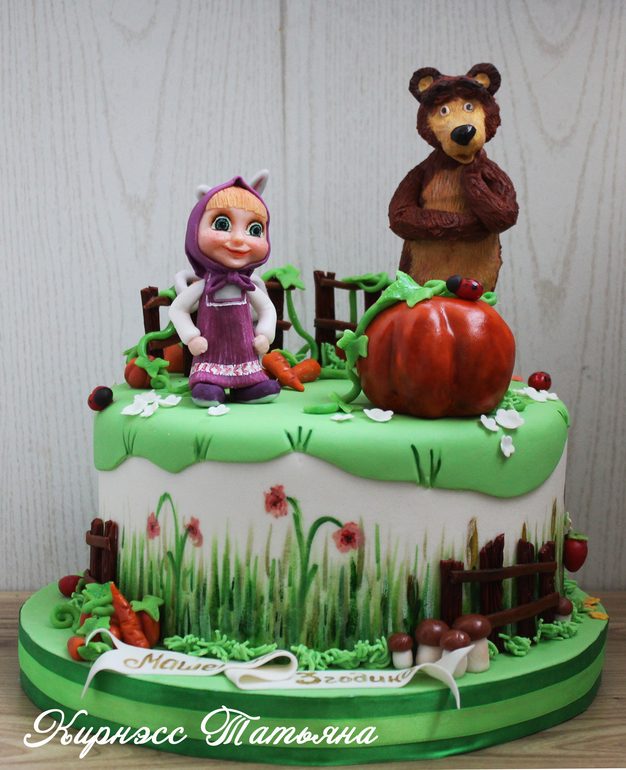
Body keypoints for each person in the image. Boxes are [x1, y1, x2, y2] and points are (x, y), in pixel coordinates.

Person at [169, 176, 280, 406]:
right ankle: (209, 384)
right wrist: (191, 337)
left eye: (254, 229)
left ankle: (247, 386)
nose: (238, 239)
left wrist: (265, 334)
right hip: (210, 355)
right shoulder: (204, 285)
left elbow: (267, 309)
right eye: (222, 224)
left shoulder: (247, 286)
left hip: (245, 354)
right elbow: (178, 309)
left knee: (252, 375)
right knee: (208, 386)